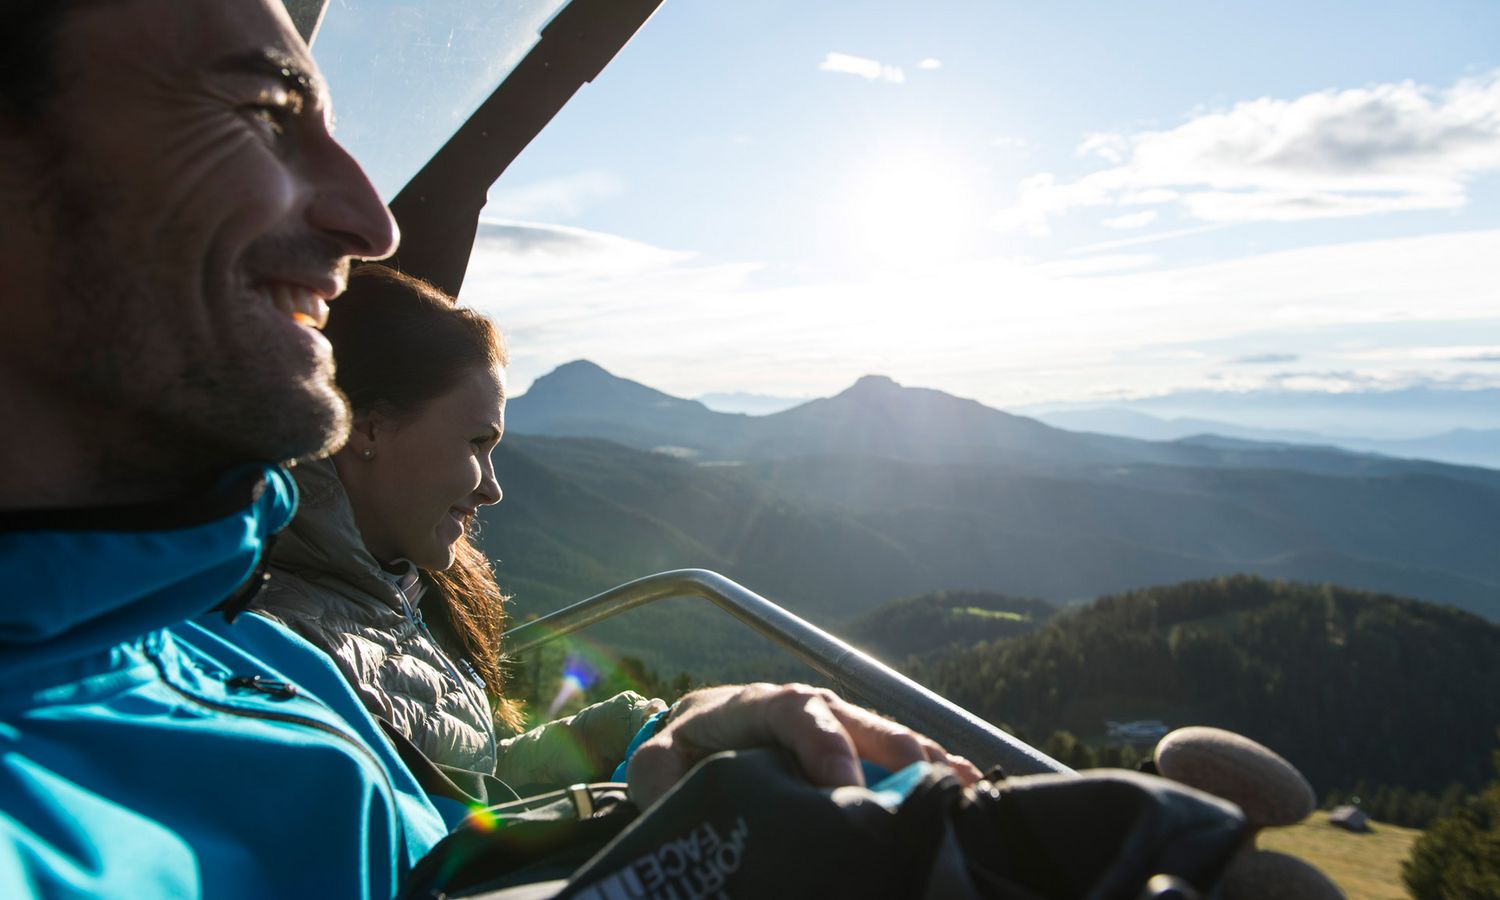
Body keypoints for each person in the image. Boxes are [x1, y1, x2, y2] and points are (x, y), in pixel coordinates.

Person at [0, 0, 977, 895]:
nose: (369, 221)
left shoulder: (191, 650)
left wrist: (658, 739)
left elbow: (443, 835)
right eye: (261, 107)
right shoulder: (243, 647)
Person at [250, 265, 663, 795]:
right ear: (369, 427)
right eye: (476, 443)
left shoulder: (387, 593)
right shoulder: (287, 648)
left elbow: (464, 789)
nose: (492, 489)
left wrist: (618, 732)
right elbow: (435, 843)